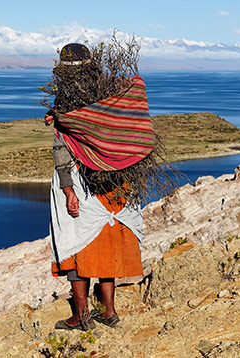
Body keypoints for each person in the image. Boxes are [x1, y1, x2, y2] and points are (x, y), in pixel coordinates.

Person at [44, 43, 153, 330]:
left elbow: (62, 150)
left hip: (82, 180)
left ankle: (81, 316)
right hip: (117, 179)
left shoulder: (67, 101)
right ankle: (109, 312)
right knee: (106, 240)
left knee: (75, 243)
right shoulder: (112, 92)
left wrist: (68, 191)